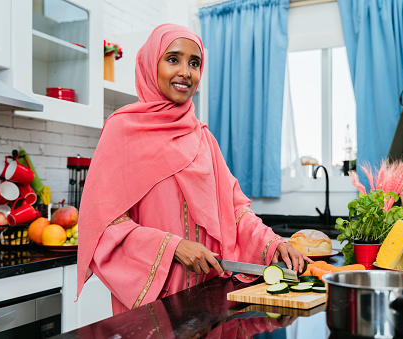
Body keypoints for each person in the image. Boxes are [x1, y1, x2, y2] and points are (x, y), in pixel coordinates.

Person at [77, 23, 311, 315]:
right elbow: (102, 224)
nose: (186, 72)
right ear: (151, 64)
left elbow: (235, 212)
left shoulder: (204, 139)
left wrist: (271, 243)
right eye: (173, 59)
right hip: (154, 304)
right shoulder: (121, 130)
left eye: (195, 63)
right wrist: (172, 247)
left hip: (208, 298)